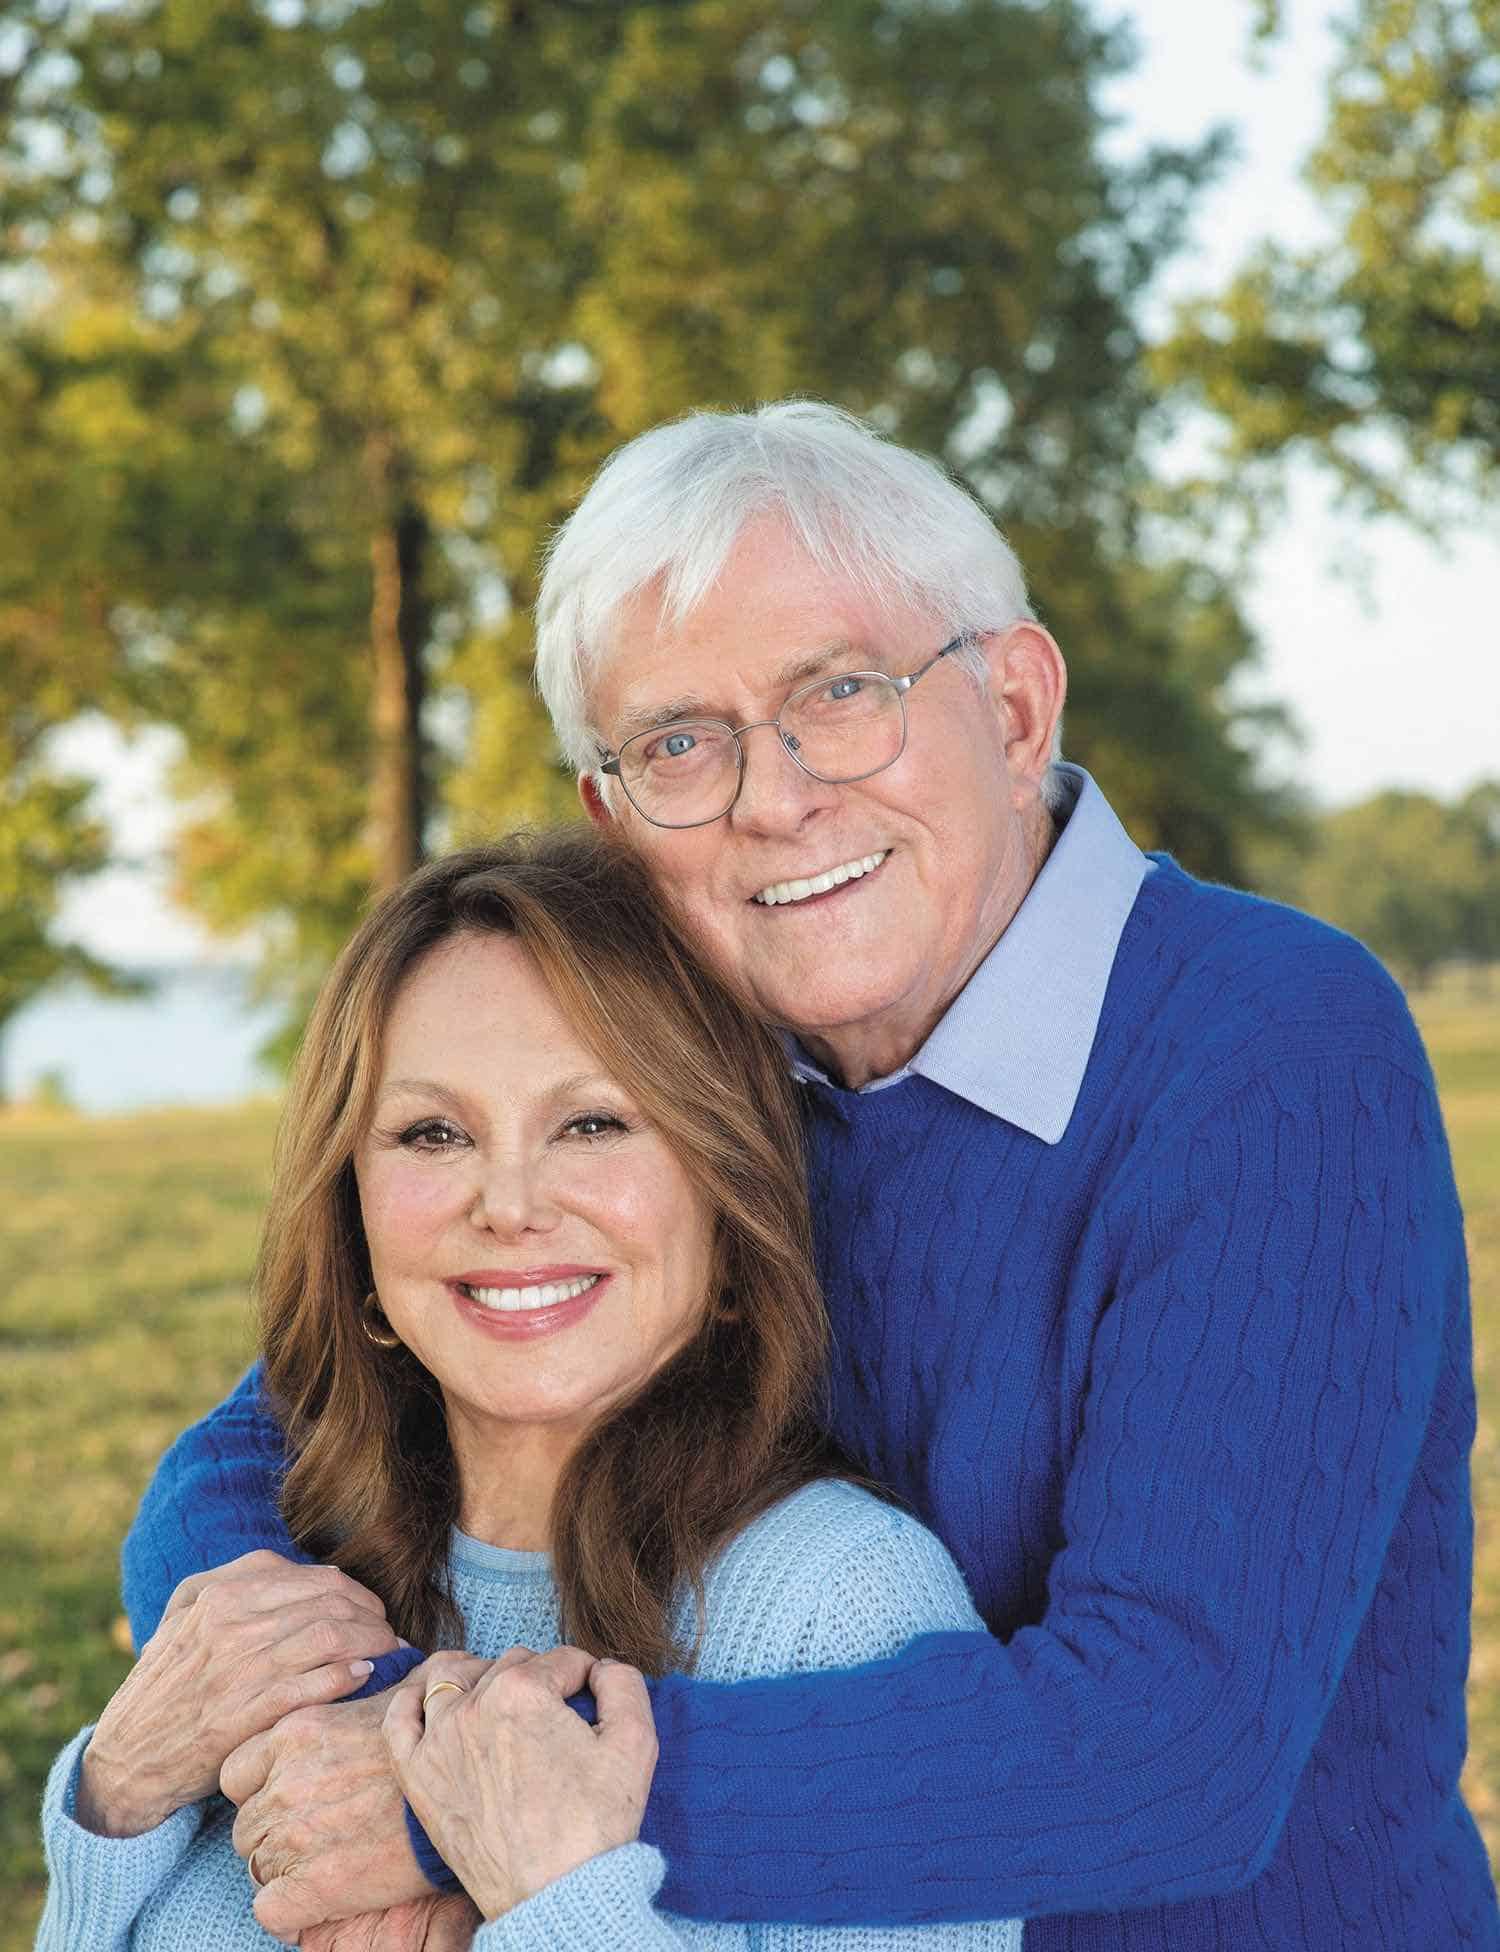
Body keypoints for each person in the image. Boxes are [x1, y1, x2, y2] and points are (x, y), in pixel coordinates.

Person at [119, 402, 1496, 1949]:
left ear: (1020, 706)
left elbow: (1173, 1748)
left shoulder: (1267, 1046)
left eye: (844, 694)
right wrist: (298, 1686)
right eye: (680, 743)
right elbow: (278, 1424)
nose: (776, 796)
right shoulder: (712, 1054)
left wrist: (468, 1798)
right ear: (616, 821)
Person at [38, 831, 1022, 1952]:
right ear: (353, 1225)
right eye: (433, 1132)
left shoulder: (844, 1610)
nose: (508, 1202)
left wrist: (553, 1902)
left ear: (727, 1196)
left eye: (594, 1121)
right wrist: (115, 1797)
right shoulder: (278, 1566)